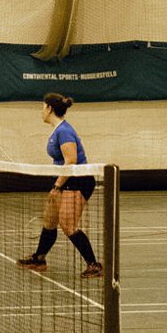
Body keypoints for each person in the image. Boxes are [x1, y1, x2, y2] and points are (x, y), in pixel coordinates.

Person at [16, 93, 103, 278]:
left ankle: (94, 265)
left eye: (42, 107)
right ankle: (39, 258)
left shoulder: (64, 131)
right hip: (65, 180)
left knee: (68, 225)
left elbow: (71, 161)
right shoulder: (57, 130)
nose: (41, 111)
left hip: (79, 180)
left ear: (49, 109)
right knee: (49, 221)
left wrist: (56, 187)